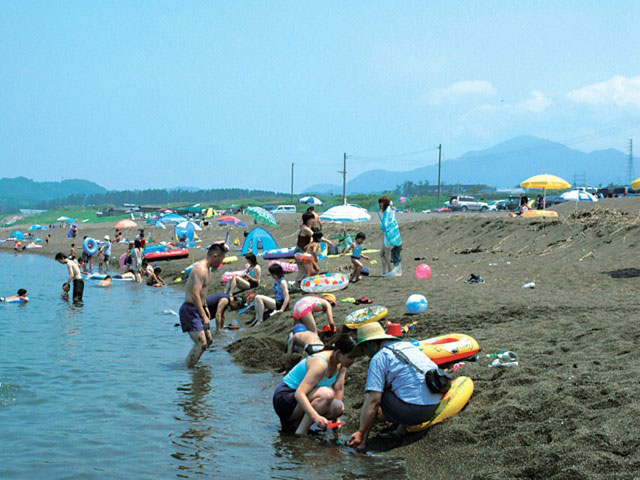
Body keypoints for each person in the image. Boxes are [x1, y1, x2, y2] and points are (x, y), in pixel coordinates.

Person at [348, 322, 443, 450]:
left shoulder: (379, 358)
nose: (365, 354)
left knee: (377, 392)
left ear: (371, 344)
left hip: (416, 412)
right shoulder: (407, 346)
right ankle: (400, 430)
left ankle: (362, 442)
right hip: (435, 404)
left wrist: (360, 431)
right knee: (403, 384)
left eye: (364, 349)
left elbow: (373, 400)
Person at [272, 334, 356, 434]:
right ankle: (301, 432)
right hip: (285, 398)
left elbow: (339, 388)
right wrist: (315, 417)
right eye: (351, 357)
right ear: (338, 353)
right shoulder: (320, 363)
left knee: (338, 407)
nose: (353, 361)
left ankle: (297, 425)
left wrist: (337, 420)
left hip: (300, 400)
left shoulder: (342, 365)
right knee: (327, 394)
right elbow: (299, 393)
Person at [178, 242, 227, 368]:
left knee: (208, 341)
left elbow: (202, 294)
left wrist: (205, 309)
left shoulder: (209, 269)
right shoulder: (201, 269)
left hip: (199, 307)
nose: (221, 262)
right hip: (190, 309)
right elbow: (194, 294)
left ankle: (193, 366)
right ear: (215, 256)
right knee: (201, 343)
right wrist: (204, 316)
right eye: (222, 259)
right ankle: (188, 370)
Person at [250, 263, 290, 327]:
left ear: (278, 273)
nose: (272, 275)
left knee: (258, 297)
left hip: (281, 304)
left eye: (273, 274)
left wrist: (282, 309)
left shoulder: (282, 282)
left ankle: (260, 320)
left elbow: (287, 297)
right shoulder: (275, 280)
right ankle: (257, 318)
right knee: (256, 298)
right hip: (277, 301)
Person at [378, 196, 403, 277]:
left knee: (386, 254)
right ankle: (385, 271)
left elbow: (385, 223)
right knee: (382, 254)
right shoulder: (390, 209)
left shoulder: (387, 211)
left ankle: (389, 271)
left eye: (381, 202)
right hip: (390, 234)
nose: (380, 204)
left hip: (388, 235)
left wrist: (381, 228)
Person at [294, 212, 315, 285]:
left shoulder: (305, 227)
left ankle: (298, 285)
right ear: (307, 220)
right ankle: (297, 285)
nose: (313, 220)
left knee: (304, 270)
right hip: (301, 251)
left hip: (300, 250)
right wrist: (328, 241)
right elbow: (315, 236)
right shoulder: (306, 228)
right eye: (311, 218)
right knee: (304, 271)